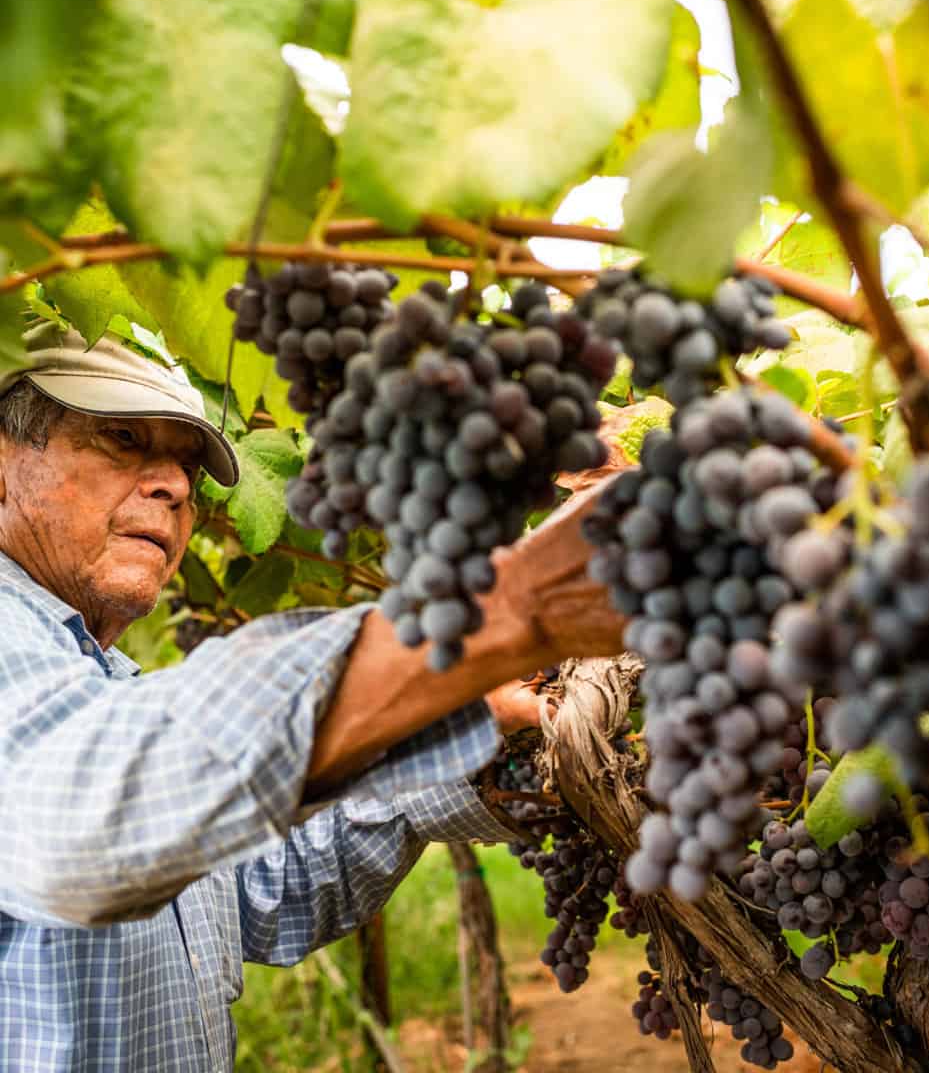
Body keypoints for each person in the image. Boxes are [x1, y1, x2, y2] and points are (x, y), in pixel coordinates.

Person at [0, 322, 624, 1071]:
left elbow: (267, 888)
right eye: (124, 440)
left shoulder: (105, 687)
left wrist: (475, 731)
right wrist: (501, 612)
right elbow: (80, 830)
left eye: (189, 472)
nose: (172, 486)